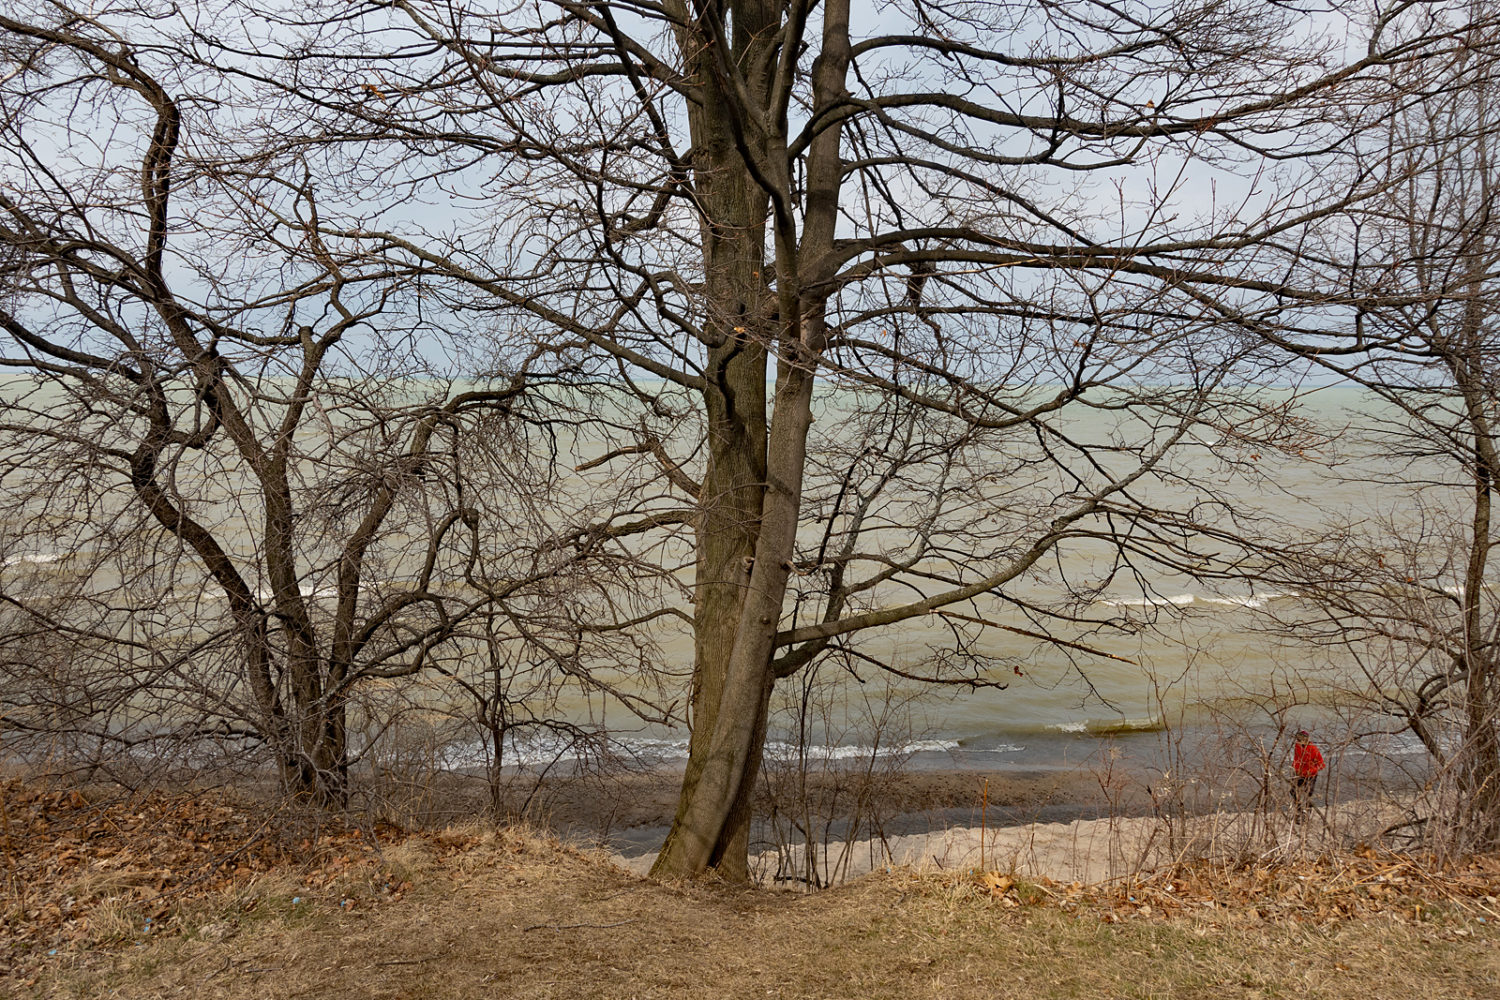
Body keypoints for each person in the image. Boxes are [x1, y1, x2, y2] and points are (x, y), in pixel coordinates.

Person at [1291, 730, 1325, 820]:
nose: (1298, 740)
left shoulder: (1313, 749)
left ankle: (1306, 815)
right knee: (1293, 791)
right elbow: (1296, 759)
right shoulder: (1297, 746)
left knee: (1308, 794)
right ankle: (1299, 811)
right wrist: (1294, 768)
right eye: (1297, 738)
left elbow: (1321, 764)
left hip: (1311, 775)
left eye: (1300, 738)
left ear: (1305, 739)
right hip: (1299, 774)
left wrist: (1311, 770)